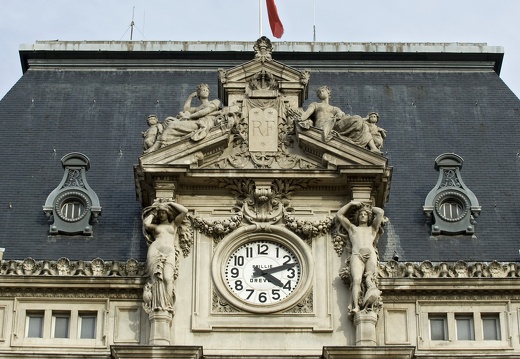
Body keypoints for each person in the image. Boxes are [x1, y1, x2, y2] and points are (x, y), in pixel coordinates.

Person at [336, 200, 384, 314]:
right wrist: (351, 204)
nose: (363, 215)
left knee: (370, 279)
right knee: (356, 280)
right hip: (357, 255)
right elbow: (339, 215)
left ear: (369, 217)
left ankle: (368, 302)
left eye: (365, 214)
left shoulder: (372, 229)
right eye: (361, 214)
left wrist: (367, 207)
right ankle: (356, 306)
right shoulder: (353, 229)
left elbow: (380, 213)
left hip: (370, 254)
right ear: (358, 217)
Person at [142, 201, 188, 313]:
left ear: (168, 213)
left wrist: (170, 202)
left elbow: (184, 211)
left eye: (163, 212)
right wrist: (153, 212)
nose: (161, 215)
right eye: (160, 213)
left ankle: (167, 304)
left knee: (168, 278)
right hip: (155, 251)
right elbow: (146, 224)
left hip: (169, 253)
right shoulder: (155, 226)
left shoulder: (173, 224)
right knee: (156, 279)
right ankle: (159, 306)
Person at [148, 84, 221, 151]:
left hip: (204, 122)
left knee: (173, 125)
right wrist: (190, 97)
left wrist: (189, 116)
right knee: (171, 125)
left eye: (207, 90)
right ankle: (159, 146)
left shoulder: (215, 101)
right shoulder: (197, 108)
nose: (205, 91)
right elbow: (186, 109)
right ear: (198, 93)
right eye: (203, 90)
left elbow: (206, 111)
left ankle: (157, 147)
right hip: (197, 122)